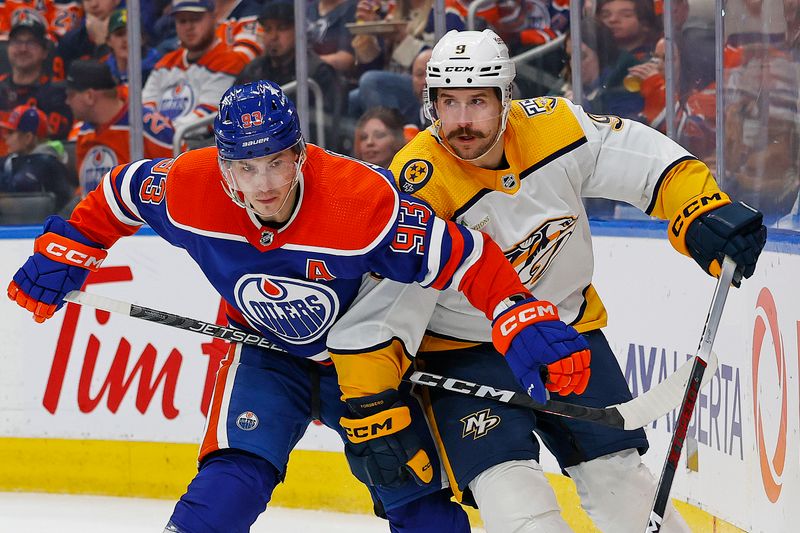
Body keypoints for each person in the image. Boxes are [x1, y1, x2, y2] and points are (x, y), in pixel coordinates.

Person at [7, 79, 594, 532]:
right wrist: (70, 247)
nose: (263, 184)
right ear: (223, 166)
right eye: (245, 167)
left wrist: (520, 315)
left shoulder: (359, 202)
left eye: (276, 163)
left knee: (410, 489)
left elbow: (462, 255)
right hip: (265, 352)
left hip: (360, 358)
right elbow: (119, 193)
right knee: (233, 476)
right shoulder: (189, 188)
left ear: (300, 155)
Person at [334, 29, 766, 533]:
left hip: (566, 332)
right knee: (517, 506)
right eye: (448, 103)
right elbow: (387, 299)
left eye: (477, 101)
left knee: (622, 485)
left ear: (506, 98)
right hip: (463, 351)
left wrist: (699, 208)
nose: (463, 120)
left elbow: (644, 162)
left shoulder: (555, 127)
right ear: (431, 105)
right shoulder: (417, 181)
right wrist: (374, 397)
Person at [236, 0, 343, 148]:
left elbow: (328, 130)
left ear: (298, 29)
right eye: (268, 29)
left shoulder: (317, 72)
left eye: (281, 28)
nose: (273, 36)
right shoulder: (253, 71)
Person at [65, 60, 174, 195]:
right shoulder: (84, 132)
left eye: (71, 95)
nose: (67, 101)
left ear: (89, 96)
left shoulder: (147, 126)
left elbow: (180, 174)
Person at [142, 0, 248, 134]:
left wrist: (161, 133)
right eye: (182, 21)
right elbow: (145, 106)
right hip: (163, 143)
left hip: (200, 146)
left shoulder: (229, 60)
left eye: (195, 19)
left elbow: (206, 119)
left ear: (214, 17)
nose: (189, 27)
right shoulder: (165, 63)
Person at [0, 14, 72, 154]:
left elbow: (53, 141)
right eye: (16, 42)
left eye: (31, 43)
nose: (23, 49)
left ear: (45, 52)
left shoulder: (57, 94)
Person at [0, 103, 75, 212]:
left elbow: (20, 187)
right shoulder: (15, 158)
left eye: (11, 132)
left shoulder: (46, 162)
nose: (5, 137)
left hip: (45, 224)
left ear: (28, 137)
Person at [104, 9, 162, 86]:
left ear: (143, 39)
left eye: (132, 33)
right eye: (119, 34)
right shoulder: (103, 72)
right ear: (108, 41)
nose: (126, 39)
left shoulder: (159, 69)